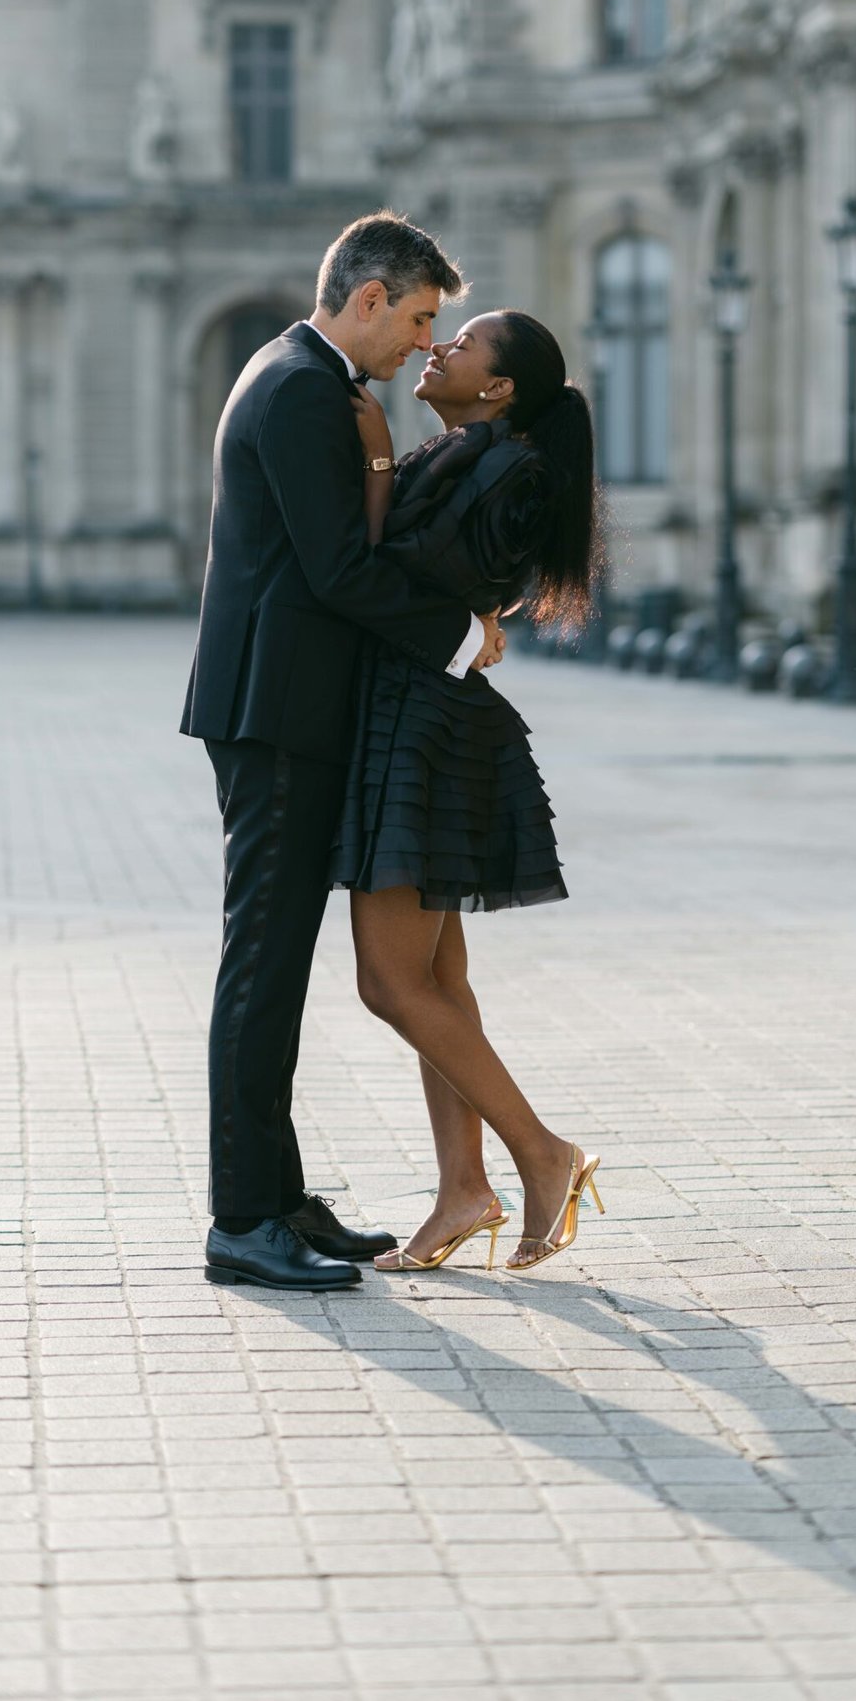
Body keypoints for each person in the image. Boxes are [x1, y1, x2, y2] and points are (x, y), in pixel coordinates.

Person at [180, 213, 505, 1293]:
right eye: (418, 318)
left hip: (285, 707)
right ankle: (242, 1219)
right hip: (277, 713)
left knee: (274, 964)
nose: (426, 342)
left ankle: (277, 1197)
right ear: (369, 298)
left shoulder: (305, 379)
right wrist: (461, 636)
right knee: (262, 965)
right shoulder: (300, 391)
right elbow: (334, 570)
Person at [330, 309, 605, 1274]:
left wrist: (373, 457)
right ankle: (462, 1189)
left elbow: (391, 571)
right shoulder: (466, 456)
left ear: (499, 387)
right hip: (414, 720)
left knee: (390, 982)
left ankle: (543, 1152)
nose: (440, 345)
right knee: (438, 983)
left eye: (466, 342)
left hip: (425, 731)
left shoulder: (504, 468)